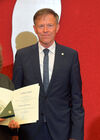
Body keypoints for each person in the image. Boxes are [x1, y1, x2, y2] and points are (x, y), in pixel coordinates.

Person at [12, 8, 84, 140]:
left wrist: (76, 135)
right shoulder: (22, 55)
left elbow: (76, 98)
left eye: (50, 25)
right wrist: (14, 132)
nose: (45, 30)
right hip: (29, 131)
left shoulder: (70, 56)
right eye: (41, 26)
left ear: (57, 27)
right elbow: (16, 93)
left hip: (61, 130)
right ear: (35, 28)